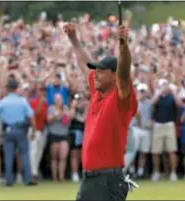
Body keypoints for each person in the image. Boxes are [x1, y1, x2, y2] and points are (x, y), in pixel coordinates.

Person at [64, 23, 138, 200]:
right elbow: (83, 63)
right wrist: (74, 39)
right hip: (91, 179)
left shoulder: (121, 99)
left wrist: (123, 45)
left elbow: (125, 71)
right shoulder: (98, 90)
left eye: (101, 72)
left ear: (114, 75)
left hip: (107, 180)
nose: (95, 75)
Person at [0, 78, 37, 186]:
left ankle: (9, 180)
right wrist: (33, 130)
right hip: (21, 130)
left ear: (7, 88)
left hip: (8, 130)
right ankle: (28, 179)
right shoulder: (22, 101)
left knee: (8, 156)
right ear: (16, 88)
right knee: (24, 155)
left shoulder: (3, 102)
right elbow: (31, 116)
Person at [47, 93, 75, 182]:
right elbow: (49, 119)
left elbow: (71, 118)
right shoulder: (51, 108)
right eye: (57, 99)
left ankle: (61, 177)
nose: (59, 101)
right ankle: (54, 177)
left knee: (63, 157)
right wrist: (57, 115)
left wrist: (69, 111)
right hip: (54, 134)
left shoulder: (66, 108)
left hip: (64, 134)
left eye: (60, 99)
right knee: (54, 157)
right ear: (54, 100)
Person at [29, 85, 48, 180]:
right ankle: (33, 173)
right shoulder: (34, 102)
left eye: (44, 90)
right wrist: (40, 103)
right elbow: (34, 114)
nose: (43, 92)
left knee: (39, 153)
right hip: (34, 130)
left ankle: (35, 171)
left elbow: (45, 118)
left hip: (42, 130)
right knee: (33, 152)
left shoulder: (45, 103)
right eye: (41, 90)